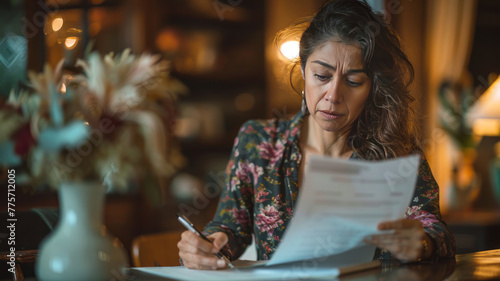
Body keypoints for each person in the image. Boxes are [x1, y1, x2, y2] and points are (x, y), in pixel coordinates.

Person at [177, 0, 456, 270]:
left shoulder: (397, 153)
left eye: (354, 81)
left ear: (373, 89)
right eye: (322, 76)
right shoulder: (259, 141)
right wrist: (212, 243)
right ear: (302, 72)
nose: (333, 96)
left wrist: (422, 243)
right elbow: (229, 227)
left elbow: (437, 233)